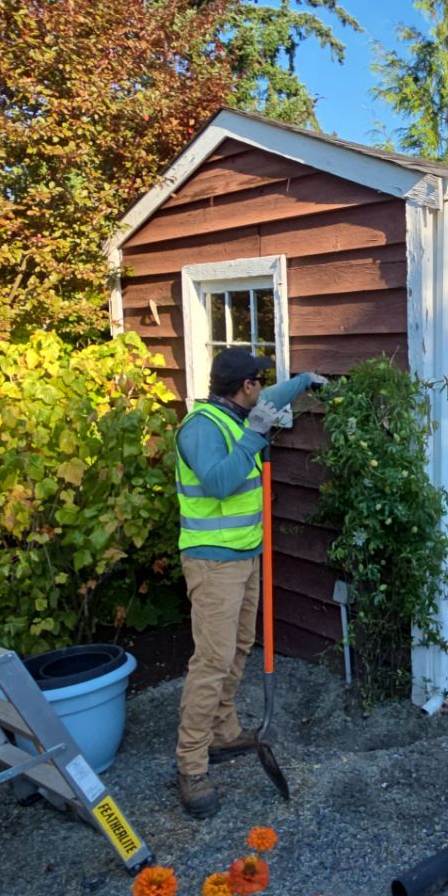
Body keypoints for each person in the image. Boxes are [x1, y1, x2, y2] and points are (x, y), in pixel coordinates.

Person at [173, 347, 324, 818]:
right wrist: (255, 436)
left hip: (244, 557)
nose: (262, 389)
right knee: (212, 661)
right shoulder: (202, 428)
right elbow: (218, 483)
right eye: (258, 381)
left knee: (238, 648)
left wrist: (304, 381)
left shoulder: (235, 413)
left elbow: (271, 399)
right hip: (212, 564)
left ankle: (222, 731)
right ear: (245, 387)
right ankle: (191, 765)